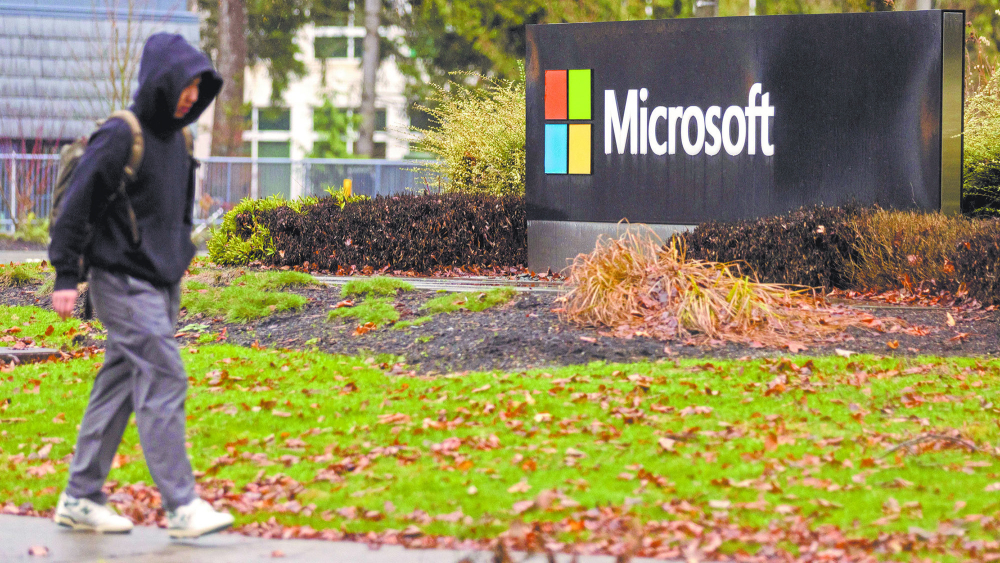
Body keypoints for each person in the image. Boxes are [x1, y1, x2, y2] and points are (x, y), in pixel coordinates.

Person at [48, 32, 233, 538]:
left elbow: (175, 214)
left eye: (200, 87)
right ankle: (182, 505)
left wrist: (179, 258)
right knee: (166, 376)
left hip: (160, 284)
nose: (193, 96)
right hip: (120, 281)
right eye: (187, 85)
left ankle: (80, 496)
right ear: (162, 80)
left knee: (121, 384)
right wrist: (67, 274)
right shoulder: (120, 135)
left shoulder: (182, 141)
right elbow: (75, 207)